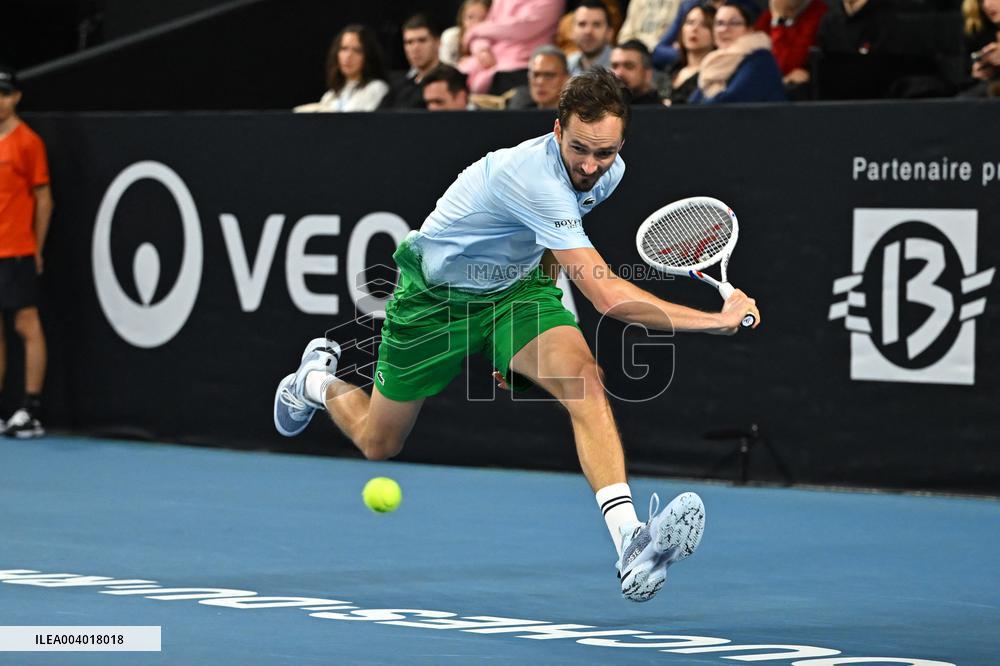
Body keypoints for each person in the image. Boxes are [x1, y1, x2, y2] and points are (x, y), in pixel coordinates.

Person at [272, 68, 760, 602]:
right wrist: (718, 318)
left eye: (605, 152)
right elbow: (608, 298)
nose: (591, 166)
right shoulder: (532, 176)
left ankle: (630, 543)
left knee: (585, 381)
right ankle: (315, 381)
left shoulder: (607, 171)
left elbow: (552, 242)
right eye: (580, 150)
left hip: (517, 292)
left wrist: (518, 341)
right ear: (557, 131)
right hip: (435, 300)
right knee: (378, 443)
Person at [0, 66, 52, 438]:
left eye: (4, 93)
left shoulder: (28, 142)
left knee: (25, 323)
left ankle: (29, 409)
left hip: (18, 247)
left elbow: (44, 198)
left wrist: (37, 245)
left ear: (16, 97)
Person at [459, 0, 564, 95]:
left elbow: (523, 29)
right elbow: (485, 29)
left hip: (521, 66)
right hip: (486, 63)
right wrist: (482, 50)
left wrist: (475, 30)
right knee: (451, 81)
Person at [689, 2, 787, 103]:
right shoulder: (713, 62)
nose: (724, 29)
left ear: (749, 29)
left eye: (734, 23)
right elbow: (691, 105)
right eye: (719, 23)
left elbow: (730, 102)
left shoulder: (761, 59)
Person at [294, 25, 388, 113]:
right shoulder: (331, 94)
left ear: (368, 55)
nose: (348, 56)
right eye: (344, 49)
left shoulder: (376, 88)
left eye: (357, 50)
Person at [753, 0, 827, 98]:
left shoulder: (819, 12)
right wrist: (777, 19)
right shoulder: (767, 13)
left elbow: (783, 64)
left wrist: (778, 21)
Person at [379, 14, 441, 110]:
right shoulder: (398, 85)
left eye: (422, 40)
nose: (415, 48)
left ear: (438, 42)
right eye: (409, 42)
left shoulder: (450, 80)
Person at [669, 3, 716, 105]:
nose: (694, 29)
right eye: (690, 22)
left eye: (704, 25)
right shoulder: (672, 68)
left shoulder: (713, 74)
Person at [507, 45, 572, 109]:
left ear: (566, 79)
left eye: (549, 75)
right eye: (535, 75)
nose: (540, 82)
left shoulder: (576, 117)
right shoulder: (519, 112)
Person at [568, 0, 615, 74]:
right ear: (572, 31)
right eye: (582, 24)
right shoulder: (567, 65)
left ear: (609, 33)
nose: (588, 31)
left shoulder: (619, 68)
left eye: (596, 25)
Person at [617, 0, 684, 52]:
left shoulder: (680, 2)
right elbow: (624, 36)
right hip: (637, 50)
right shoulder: (638, 1)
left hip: (663, 51)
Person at [611, 40, 665, 104]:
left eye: (629, 66)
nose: (619, 73)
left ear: (648, 74)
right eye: (615, 66)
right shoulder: (604, 108)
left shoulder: (660, 111)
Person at [440, 0, 492, 66]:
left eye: (482, 19)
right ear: (462, 19)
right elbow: (445, 67)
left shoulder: (492, 40)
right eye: (470, 17)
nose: (475, 23)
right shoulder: (451, 37)